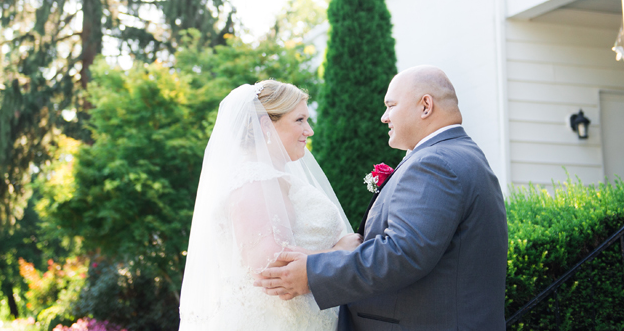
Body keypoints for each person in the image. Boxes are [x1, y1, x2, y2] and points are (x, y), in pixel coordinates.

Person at [255, 66, 508, 330]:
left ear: (425, 106)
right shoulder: (455, 154)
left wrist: (313, 272)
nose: (384, 117)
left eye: (391, 105)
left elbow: (402, 253)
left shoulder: (436, 162)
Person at [178, 80, 361, 331]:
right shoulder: (253, 183)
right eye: (299, 120)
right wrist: (340, 251)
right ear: (266, 125)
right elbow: (272, 272)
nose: (309, 130)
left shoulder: (274, 179)